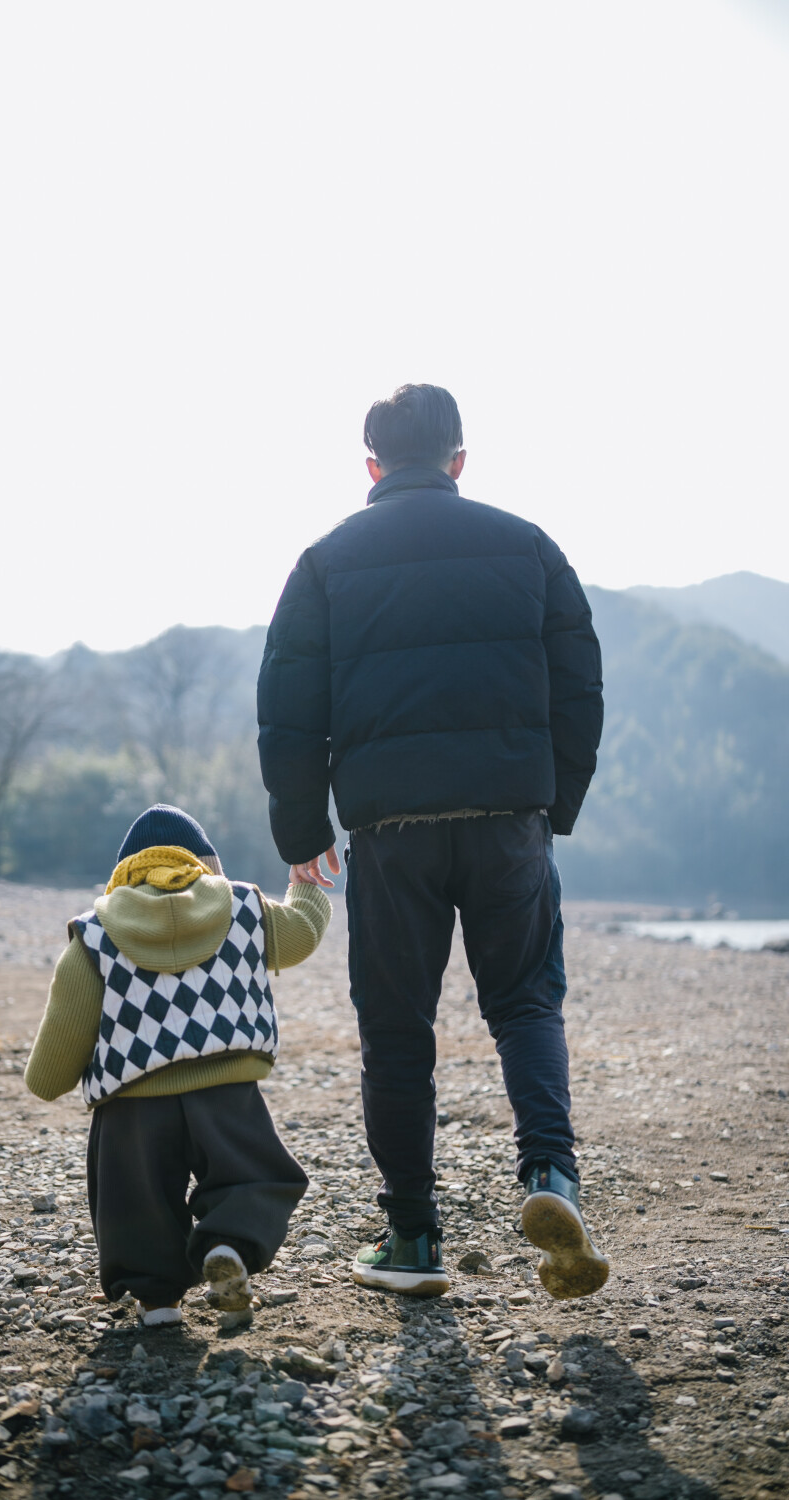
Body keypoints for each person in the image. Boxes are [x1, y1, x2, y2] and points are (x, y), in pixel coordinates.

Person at [257, 384, 607, 1300]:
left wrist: (303, 832)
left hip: (391, 833)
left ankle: (413, 1238)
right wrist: (550, 804)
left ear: (371, 466)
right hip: (509, 823)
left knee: (397, 1030)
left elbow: (288, 711)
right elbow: (580, 687)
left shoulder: (326, 561)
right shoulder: (529, 545)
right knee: (526, 1004)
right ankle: (550, 1178)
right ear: (460, 458)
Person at [24, 803, 331, 1325]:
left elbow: (50, 1073)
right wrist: (304, 882)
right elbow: (303, 931)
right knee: (253, 1178)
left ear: (122, 876)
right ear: (208, 866)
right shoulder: (244, 909)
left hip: (131, 1107)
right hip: (227, 1094)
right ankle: (229, 1246)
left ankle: (157, 1303)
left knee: (134, 1201)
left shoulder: (94, 936)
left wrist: (49, 1076)